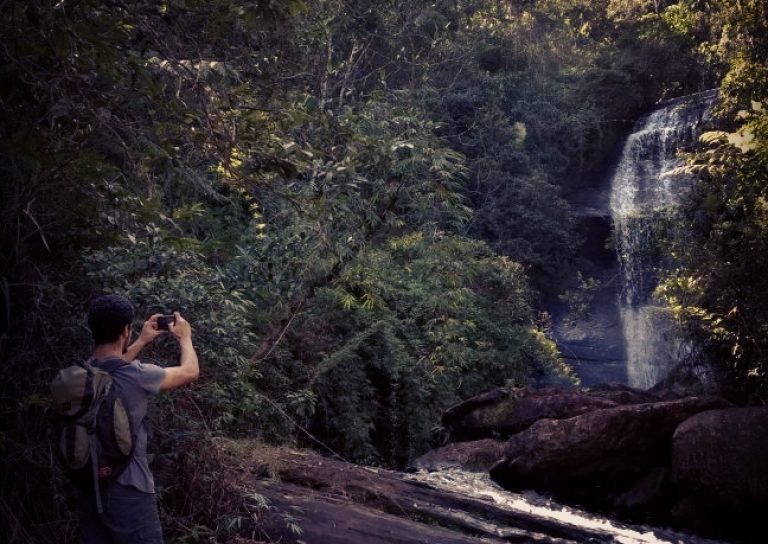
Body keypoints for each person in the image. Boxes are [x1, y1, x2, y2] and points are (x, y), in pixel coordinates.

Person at [78, 294, 199, 544]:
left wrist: (142, 341)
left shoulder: (82, 373)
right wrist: (185, 338)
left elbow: (112, 364)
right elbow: (190, 372)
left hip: (88, 486)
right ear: (125, 330)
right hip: (130, 487)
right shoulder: (138, 375)